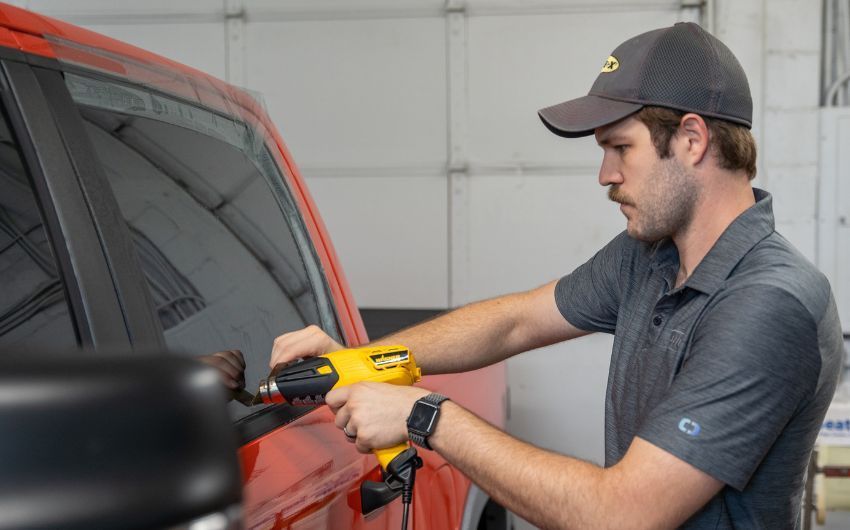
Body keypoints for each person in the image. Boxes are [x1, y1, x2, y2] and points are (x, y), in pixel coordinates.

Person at [269, 22, 845, 528]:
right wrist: (359, 362)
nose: (605, 175)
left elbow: (622, 515)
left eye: (621, 147)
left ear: (692, 140)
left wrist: (425, 416)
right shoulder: (649, 256)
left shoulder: (769, 303)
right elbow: (517, 321)